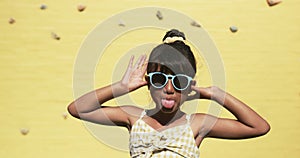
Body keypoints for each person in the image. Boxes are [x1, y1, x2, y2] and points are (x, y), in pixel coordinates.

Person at [68, 29, 270, 158]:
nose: (169, 88)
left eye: (179, 81)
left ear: (190, 85)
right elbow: (78, 109)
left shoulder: (197, 124)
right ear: (148, 82)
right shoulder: (133, 117)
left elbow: (258, 127)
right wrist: (120, 87)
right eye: (159, 79)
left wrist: (214, 93)